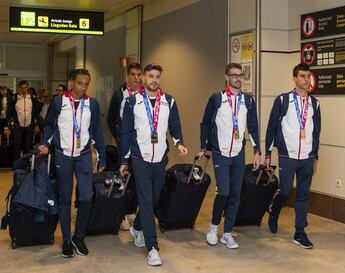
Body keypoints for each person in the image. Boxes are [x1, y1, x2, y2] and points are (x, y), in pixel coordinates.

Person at [119, 63, 188, 266]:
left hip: (160, 158)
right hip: (140, 158)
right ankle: (153, 248)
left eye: (157, 76)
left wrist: (179, 143)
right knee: (146, 201)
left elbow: (174, 126)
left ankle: (138, 227)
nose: (154, 80)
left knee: (154, 199)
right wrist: (124, 160)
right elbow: (126, 133)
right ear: (143, 78)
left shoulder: (169, 101)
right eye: (150, 76)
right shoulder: (132, 102)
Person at [38, 69, 106, 258]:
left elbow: (97, 130)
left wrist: (102, 156)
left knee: (86, 197)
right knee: (65, 199)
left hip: (84, 155)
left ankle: (79, 236)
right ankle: (67, 239)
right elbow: (50, 124)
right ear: (71, 82)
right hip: (63, 155)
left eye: (86, 84)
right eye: (79, 83)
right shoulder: (60, 102)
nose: (83, 87)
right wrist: (45, 143)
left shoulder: (92, 103)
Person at [198, 63, 261, 249]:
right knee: (223, 192)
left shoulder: (248, 101)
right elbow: (205, 124)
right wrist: (204, 146)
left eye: (240, 75)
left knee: (235, 194)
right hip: (221, 154)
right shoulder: (217, 99)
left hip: (238, 154)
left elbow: (253, 127)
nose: (238, 78)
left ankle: (227, 233)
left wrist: (257, 151)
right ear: (226, 77)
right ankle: (213, 226)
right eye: (234, 75)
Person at [264, 63, 321, 249]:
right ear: (295, 78)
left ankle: (299, 232)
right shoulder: (282, 101)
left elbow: (317, 132)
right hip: (287, 154)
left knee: (303, 194)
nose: (306, 80)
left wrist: (315, 156)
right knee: (286, 190)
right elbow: (271, 128)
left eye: (308, 76)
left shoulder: (315, 103)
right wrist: (267, 153)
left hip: (307, 156)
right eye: (303, 76)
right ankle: (274, 211)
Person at [107, 63, 142, 230]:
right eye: (133, 74)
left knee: (136, 178)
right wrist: (119, 138)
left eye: (138, 74)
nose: (136, 77)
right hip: (124, 143)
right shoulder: (119, 94)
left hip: (140, 144)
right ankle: (119, 214)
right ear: (128, 76)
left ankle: (130, 211)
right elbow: (110, 118)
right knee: (122, 177)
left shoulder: (145, 93)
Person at [10, 80, 40, 159]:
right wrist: (6, 126)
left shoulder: (32, 97)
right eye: (22, 88)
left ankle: (26, 164)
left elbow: (36, 112)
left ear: (28, 87)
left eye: (25, 88)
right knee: (17, 144)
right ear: (19, 88)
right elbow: (9, 112)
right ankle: (16, 164)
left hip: (29, 125)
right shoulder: (14, 97)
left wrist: (37, 124)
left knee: (28, 145)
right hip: (18, 125)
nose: (24, 90)